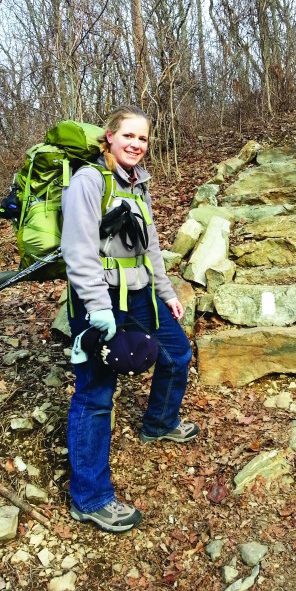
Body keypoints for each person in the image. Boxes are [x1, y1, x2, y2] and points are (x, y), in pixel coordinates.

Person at [61, 105, 198, 534]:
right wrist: (99, 311)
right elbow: (78, 252)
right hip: (100, 298)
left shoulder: (140, 185)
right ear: (110, 136)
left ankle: (159, 423)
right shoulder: (88, 181)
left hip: (140, 294)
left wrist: (167, 292)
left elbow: (151, 247)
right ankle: (90, 498)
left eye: (143, 139)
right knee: (96, 393)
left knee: (177, 352)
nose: (136, 144)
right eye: (129, 136)